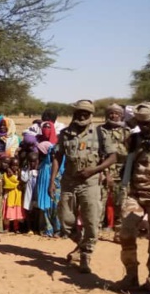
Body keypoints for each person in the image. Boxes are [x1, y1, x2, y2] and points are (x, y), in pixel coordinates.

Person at [49, 100, 116, 273]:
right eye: (79, 112)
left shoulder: (100, 134)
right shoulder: (64, 134)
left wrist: (95, 170)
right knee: (64, 219)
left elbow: (113, 156)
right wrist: (52, 181)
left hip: (90, 183)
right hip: (69, 181)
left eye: (85, 113)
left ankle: (85, 256)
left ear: (91, 115)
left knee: (92, 222)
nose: (81, 115)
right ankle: (81, 246)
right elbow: (57, 157)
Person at [115, 102, 150, 294]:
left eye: (148, 123)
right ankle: (130, 276)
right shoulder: (133, 139)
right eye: (141, 123)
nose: (144, 126)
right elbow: (118, 155)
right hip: (135, 195)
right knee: (126, 233)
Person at [98, 103, 130, 235]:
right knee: (100, 201)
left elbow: (130, 154)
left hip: (122, 172)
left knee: (121, 202)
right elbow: (97, 152)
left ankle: (119, 232)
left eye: (117, 113)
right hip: (103, 171)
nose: (114, 115)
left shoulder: (126, 132)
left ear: (121, 115)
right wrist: (103, 172)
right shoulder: (99, 131)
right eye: (111, 113)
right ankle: (96, 231)